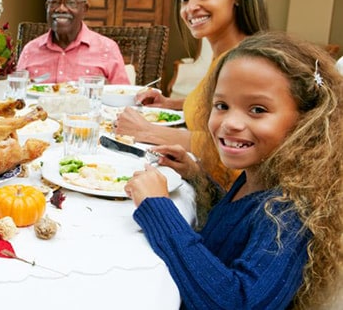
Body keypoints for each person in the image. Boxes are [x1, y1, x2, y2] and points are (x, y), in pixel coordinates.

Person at [124, 32, 343, 309]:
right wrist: (196, 175)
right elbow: (233, 229)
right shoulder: (258, 176)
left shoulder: (290, 212)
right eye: (222, 106)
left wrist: (158, 208)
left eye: (257, 109)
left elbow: (238, 302)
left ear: (306, 121)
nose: (231, 123)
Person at [115, 0, 269, 189]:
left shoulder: (244, 63)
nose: (190, 8)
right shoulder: (226, 56)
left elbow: (232, 145)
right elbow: (215, 105)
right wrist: (170, 103)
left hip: (228, 197)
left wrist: (146, 130)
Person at [16, 0, 130, 85]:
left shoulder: (107, 49)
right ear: (47, 7)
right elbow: (15, 95)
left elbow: (122, 95)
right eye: (54, 2)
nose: (61, 8)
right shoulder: (30, 50)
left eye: (71, 3)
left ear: (84, 9)